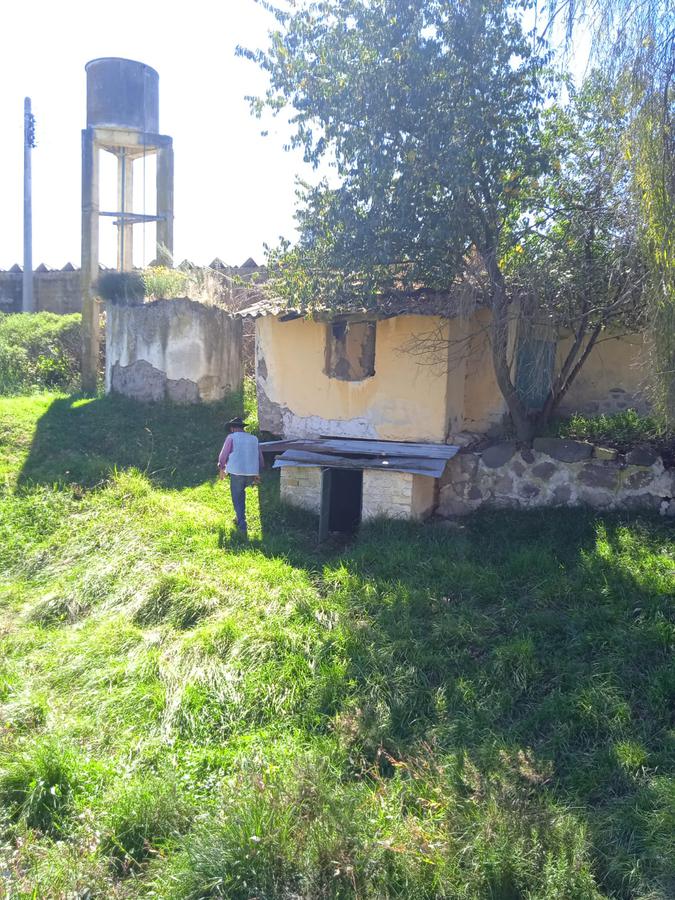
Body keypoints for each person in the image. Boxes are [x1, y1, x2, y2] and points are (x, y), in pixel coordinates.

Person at [217, 417, 265, 537]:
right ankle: (239, 517)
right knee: (241, 494)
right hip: (251, 472)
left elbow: (223, 455)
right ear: (242, 427)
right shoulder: (254, 438)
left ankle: (242, 524)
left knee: (237, 497)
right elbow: (260, 457)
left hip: (237, 472)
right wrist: (258, 472)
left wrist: (221, 468)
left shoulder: (231, 437)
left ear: (232, 428)